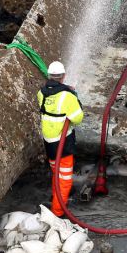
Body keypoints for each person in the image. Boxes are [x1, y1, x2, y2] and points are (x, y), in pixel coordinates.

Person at [37, 61, 83, 217]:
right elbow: (77, 118)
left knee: (56, 174)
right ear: (63, 76)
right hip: (63, 145)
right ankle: (58, 213)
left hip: (49, 142)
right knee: (64, 180)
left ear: (49, 75)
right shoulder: (67, 96)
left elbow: (52, 104)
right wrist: (75, 99)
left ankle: (56, 200)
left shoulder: (41, 92)